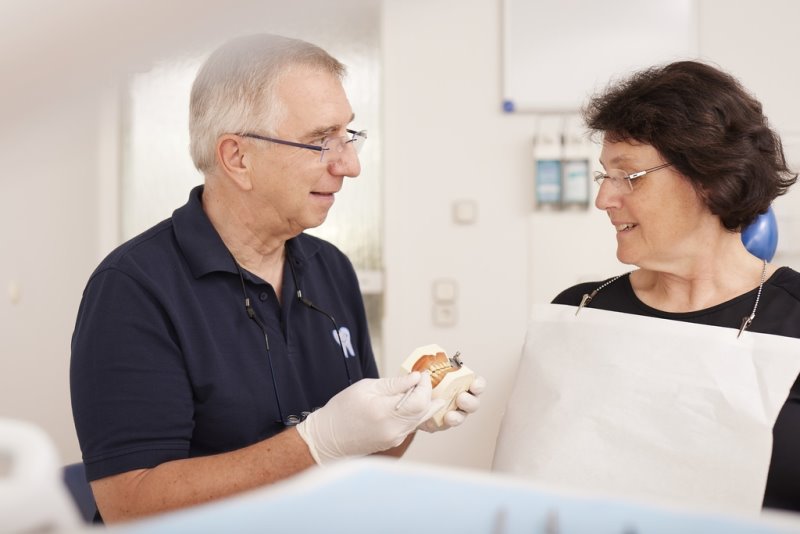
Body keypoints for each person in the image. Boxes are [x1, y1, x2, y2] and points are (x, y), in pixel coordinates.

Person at [70, 33, 485, 523]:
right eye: (319, 141)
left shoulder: (330, 268)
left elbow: (356, 459)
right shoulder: (133, 288)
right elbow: (130, 506)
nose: (349, 164)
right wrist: (315, 442)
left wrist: (407, 419)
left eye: (348, 136)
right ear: (237, 158)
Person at [551, 61, 799, 511]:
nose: (603, 199)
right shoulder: (580, 311)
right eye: (603, 174)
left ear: (708, 176)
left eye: (628, 175)